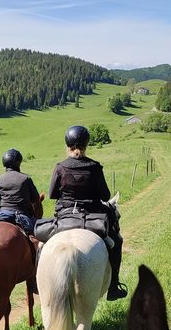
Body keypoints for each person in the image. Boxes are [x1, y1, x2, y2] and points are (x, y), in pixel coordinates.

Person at [48, 125, 127, 300]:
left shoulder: (60, 167)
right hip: (92, 215)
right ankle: (113, 286)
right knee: (118, 241)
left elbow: (53, 194)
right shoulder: (94, 167)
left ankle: (38, 284)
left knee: (41, 245)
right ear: (86, 144)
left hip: (65, 215)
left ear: (67, 145)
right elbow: (106, 195)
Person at [0, 148, 41, 234]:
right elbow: (36, 200)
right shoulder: (26, 178)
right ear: (18, 163)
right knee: (38, 235)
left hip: (2, 214)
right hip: (22, 214)